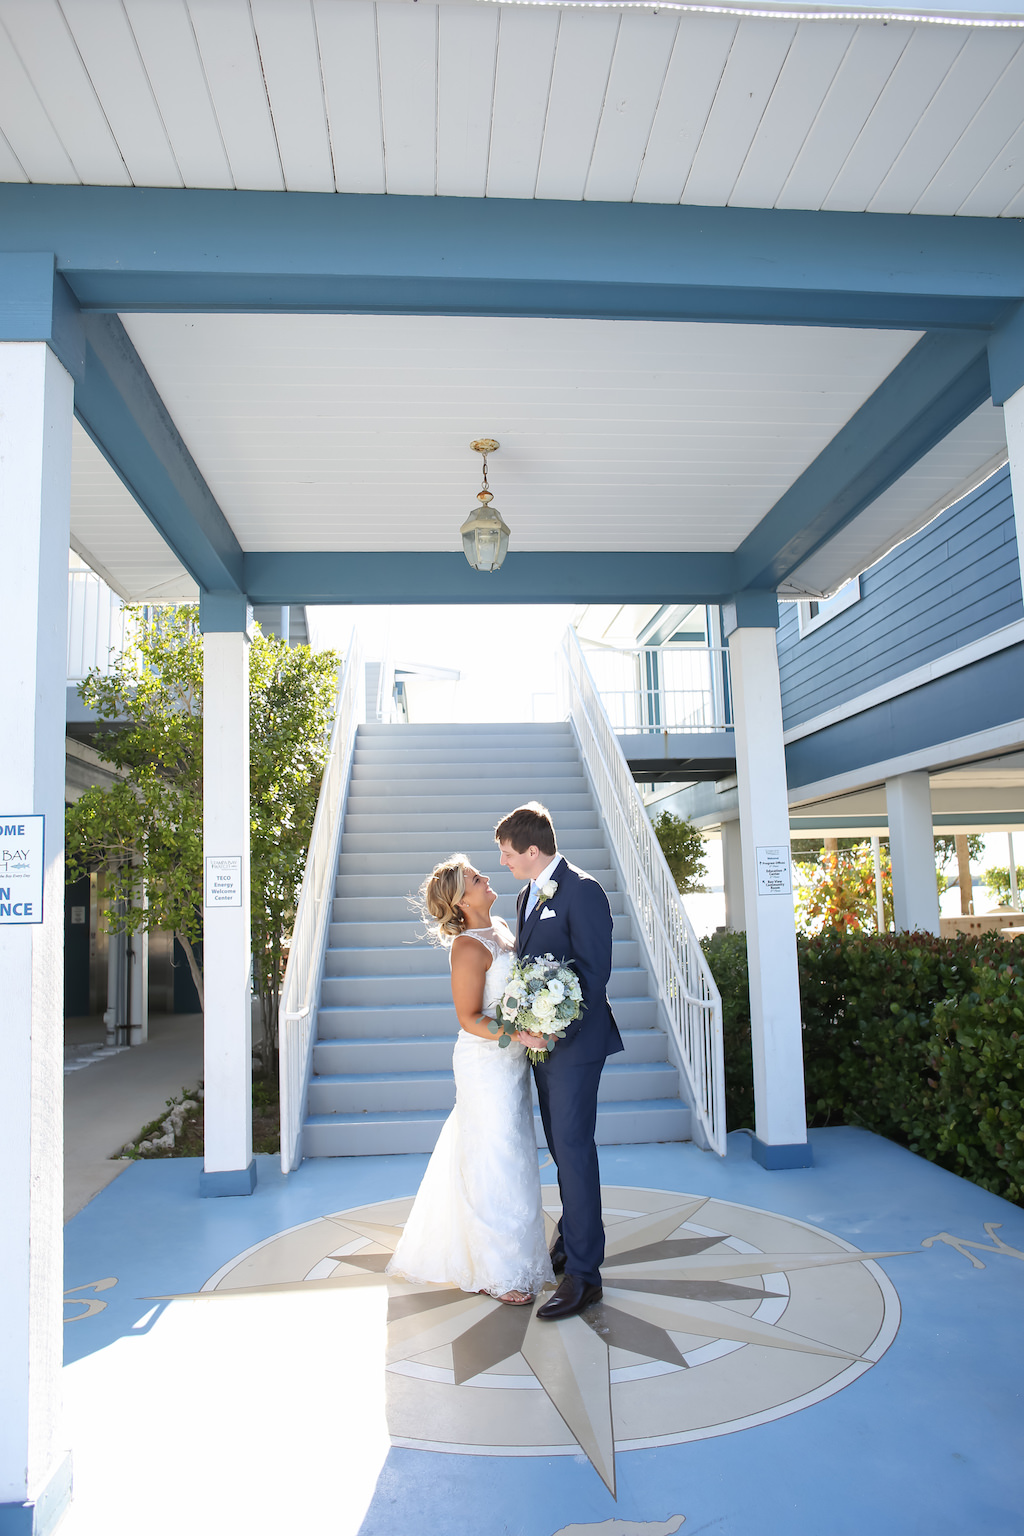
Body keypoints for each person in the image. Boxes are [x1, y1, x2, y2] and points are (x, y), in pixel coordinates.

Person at [386, 854, 554, 1305]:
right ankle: (494, 1271)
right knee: (493, 1156)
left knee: (512, 1151)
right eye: (477, 879)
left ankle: (518, 1257)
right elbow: (468, 1018)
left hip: (513, 1061)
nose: (487, 880)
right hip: (484, 1063)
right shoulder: (466, 946)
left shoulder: (502, 925)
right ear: (461, 901)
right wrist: (518, 1032)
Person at [496, 802, 623, 1321]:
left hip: (573, 1047)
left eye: (506, 853)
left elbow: (594, 974)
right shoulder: (528, 893)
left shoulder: (583, 890)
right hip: (542, 1048)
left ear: (532, 850)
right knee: (561, 1148)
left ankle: (586, 1276)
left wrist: (551, 1028)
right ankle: (571, 1242)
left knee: (573, 1151)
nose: (502, 862)